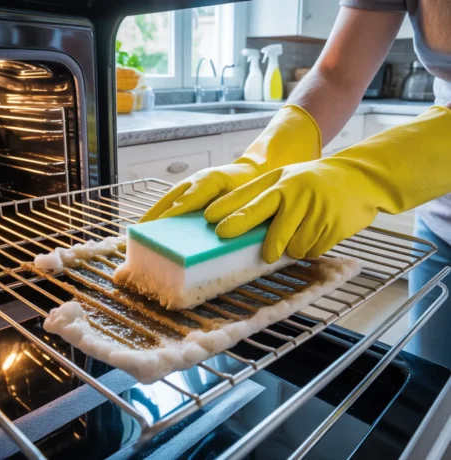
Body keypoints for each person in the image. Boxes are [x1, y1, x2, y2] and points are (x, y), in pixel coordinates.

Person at [142, 2, 451, 367]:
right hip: (439, 223)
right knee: (434, 377)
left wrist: (367, 175)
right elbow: (337, 75)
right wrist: (262, 161)